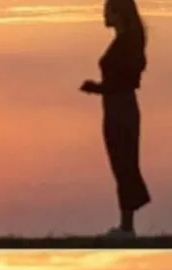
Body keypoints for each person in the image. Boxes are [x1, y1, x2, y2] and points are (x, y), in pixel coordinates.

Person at [80, 0, 150, 237]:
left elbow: (124, 82)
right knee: (122, 164)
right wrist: (99, 88)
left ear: (117, 13)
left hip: (120, 108)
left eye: (107, 10)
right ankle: (126, 224)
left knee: (124, 164)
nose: (103, 14)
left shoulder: (126, 43)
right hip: (117, 107)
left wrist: (97, 88)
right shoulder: (127, 41)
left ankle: (127, 227)